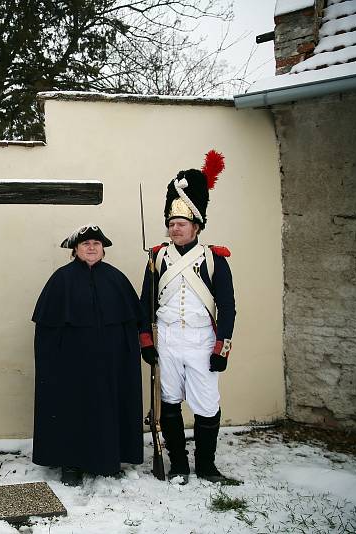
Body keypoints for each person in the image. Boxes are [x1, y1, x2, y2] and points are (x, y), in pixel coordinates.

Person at [139, 150, 236, 484]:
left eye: (180, 224)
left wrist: (220, 349)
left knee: (207, 404)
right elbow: (145, 305)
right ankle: (179, 463)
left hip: (201, 339)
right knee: (168, 401)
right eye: (170, 224)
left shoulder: (215, 260)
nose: (174, 228)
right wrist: (147, 342)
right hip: (167, 338)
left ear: (196, 225)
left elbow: (228, 307)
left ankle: (206, 466)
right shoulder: (156, 258)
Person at [32, 225, 144, 486]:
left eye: (96, 243)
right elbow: (46, 332)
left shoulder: (117, 279)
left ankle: (108, 458)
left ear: (103, 249)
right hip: (72, 365)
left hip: (110, 365)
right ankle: (71, 463)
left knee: (108, 407)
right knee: (72, 409)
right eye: (85, 244)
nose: (91, 247)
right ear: (75, 250)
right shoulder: (60, 280)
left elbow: (131, 326)